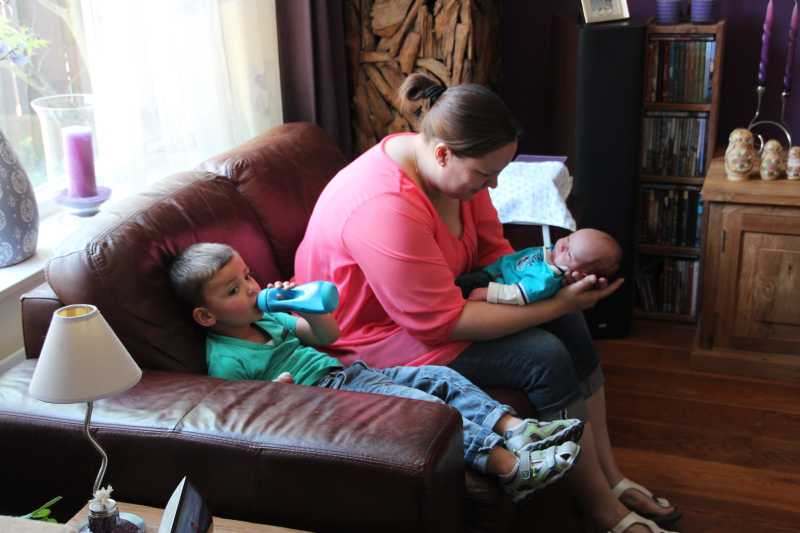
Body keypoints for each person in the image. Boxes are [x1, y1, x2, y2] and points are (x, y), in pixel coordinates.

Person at [293, 74, 680, 533]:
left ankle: (611, 479)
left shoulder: (460, 176)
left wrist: (549, 284)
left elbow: (494, 256)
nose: (493, 186)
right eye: (485, 175)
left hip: (438, 304)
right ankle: (601, 508)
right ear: (442, 154)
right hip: (368, 338)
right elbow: (441, 323)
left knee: (571, 327)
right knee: (543, 356)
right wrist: (557, 305)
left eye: (498, 172)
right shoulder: (384, 207)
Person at [168, 242, 584, 503]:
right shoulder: (227, 360)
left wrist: (305, 305)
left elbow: (325, 336)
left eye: (248, 276)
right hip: (324, 402)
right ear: (206, 316)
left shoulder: (268, 319)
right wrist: (278, 391)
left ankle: (517, 430)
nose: (252, 289)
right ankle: (510, 469)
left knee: (441, 378)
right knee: (426, 408)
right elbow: (246, 413)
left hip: (347, 375)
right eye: (233, 290)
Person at [456, 228, 622, 306]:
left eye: (570, 254)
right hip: (492, 271)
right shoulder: (553, 254)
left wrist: (487, 293)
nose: (562, 245)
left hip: (496, 289)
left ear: (581, 273)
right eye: (569, 238)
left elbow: (519, 294)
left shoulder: (547, 279)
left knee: (458, 291)